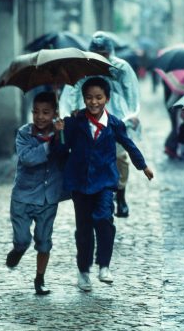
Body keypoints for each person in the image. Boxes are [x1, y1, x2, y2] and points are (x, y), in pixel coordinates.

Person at [55, 77, 154, 291]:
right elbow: (62, 150)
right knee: (83, 229)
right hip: (80, 183)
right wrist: (61, 131)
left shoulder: (115, 123)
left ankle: (104, 265)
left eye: (98, 97)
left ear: (107, 99)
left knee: (103, 219)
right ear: (83, 99)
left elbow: (128, 144)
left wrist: (143, 166)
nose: (94, 102)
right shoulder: (74, 122)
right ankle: (83, 272)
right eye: (89, 98)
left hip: (106, 181)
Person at [59, 32, 140, 218]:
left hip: (116, 116)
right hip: (88, 116)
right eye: (97, 53)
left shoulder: (121, 68)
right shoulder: (82, 68)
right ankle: (97, 192)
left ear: (109, 52)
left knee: (119, 156)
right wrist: (70, 110)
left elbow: (131, 91)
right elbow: (73, 90)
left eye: (104, 53)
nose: (100, 57)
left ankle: (120, 195)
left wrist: (132, 114)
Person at [6, 91, 65, 295]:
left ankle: (39, 279)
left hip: (49, 197)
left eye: (46, 112)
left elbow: (69, 154)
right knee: (23, 239)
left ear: (54, 113)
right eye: (36, 112)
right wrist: (51, 143)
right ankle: (18, 250)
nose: (40, 117)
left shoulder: (61, 132)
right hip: (23, 196)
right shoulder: (24, 133)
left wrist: (61, 136)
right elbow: (28, 158)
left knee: (44, 240)